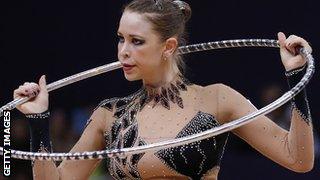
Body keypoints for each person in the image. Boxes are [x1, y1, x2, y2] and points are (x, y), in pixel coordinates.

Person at [13, 0, 314, 179]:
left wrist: (296, 77)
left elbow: (298, 159)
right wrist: (39, 123)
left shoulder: (217, 98)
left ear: (168, 46)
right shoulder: (110, 114)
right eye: (121, 38)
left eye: (137, 41)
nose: (123, 52)